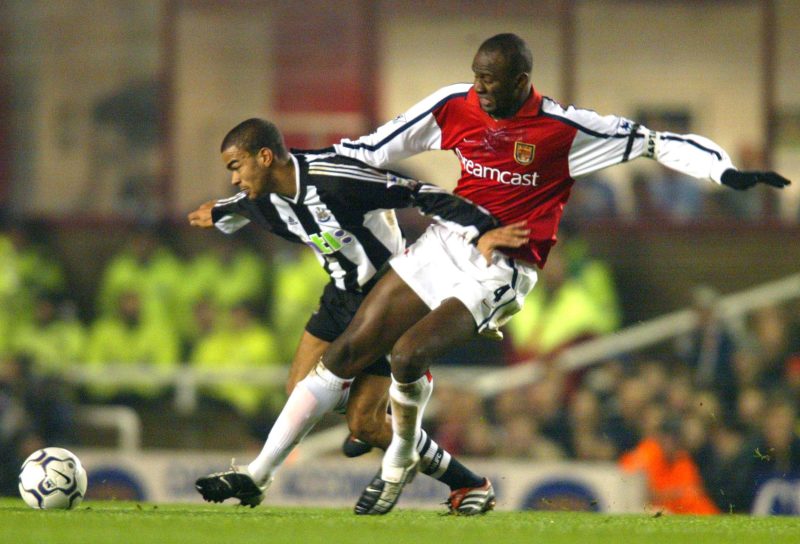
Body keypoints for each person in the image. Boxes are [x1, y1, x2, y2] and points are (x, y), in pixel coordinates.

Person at [254, 32, 790, 515]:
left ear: (521, 81)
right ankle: (256, 474)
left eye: (491, 80)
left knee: (407, 354)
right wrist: (291, 177)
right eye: (476, 76)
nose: (480, 88)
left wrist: (722, 170)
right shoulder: (454, 105)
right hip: (444, 243)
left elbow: (657, 142)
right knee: (345, 353)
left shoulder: (564, 128)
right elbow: (367, 150)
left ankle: (399, 459)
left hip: (503, 267)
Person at [189, 118, 524, 514]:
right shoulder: (262, 198)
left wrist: (481, 230)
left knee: (361, 422)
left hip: (387, 298)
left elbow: (418, 192)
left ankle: (468, 483)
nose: (233, 179)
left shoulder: (335, 178)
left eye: (235, 167)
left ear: (265, 157)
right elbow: (236, 206)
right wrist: (218, 212)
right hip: (339, 296)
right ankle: (377, 420)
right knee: (302, 389)